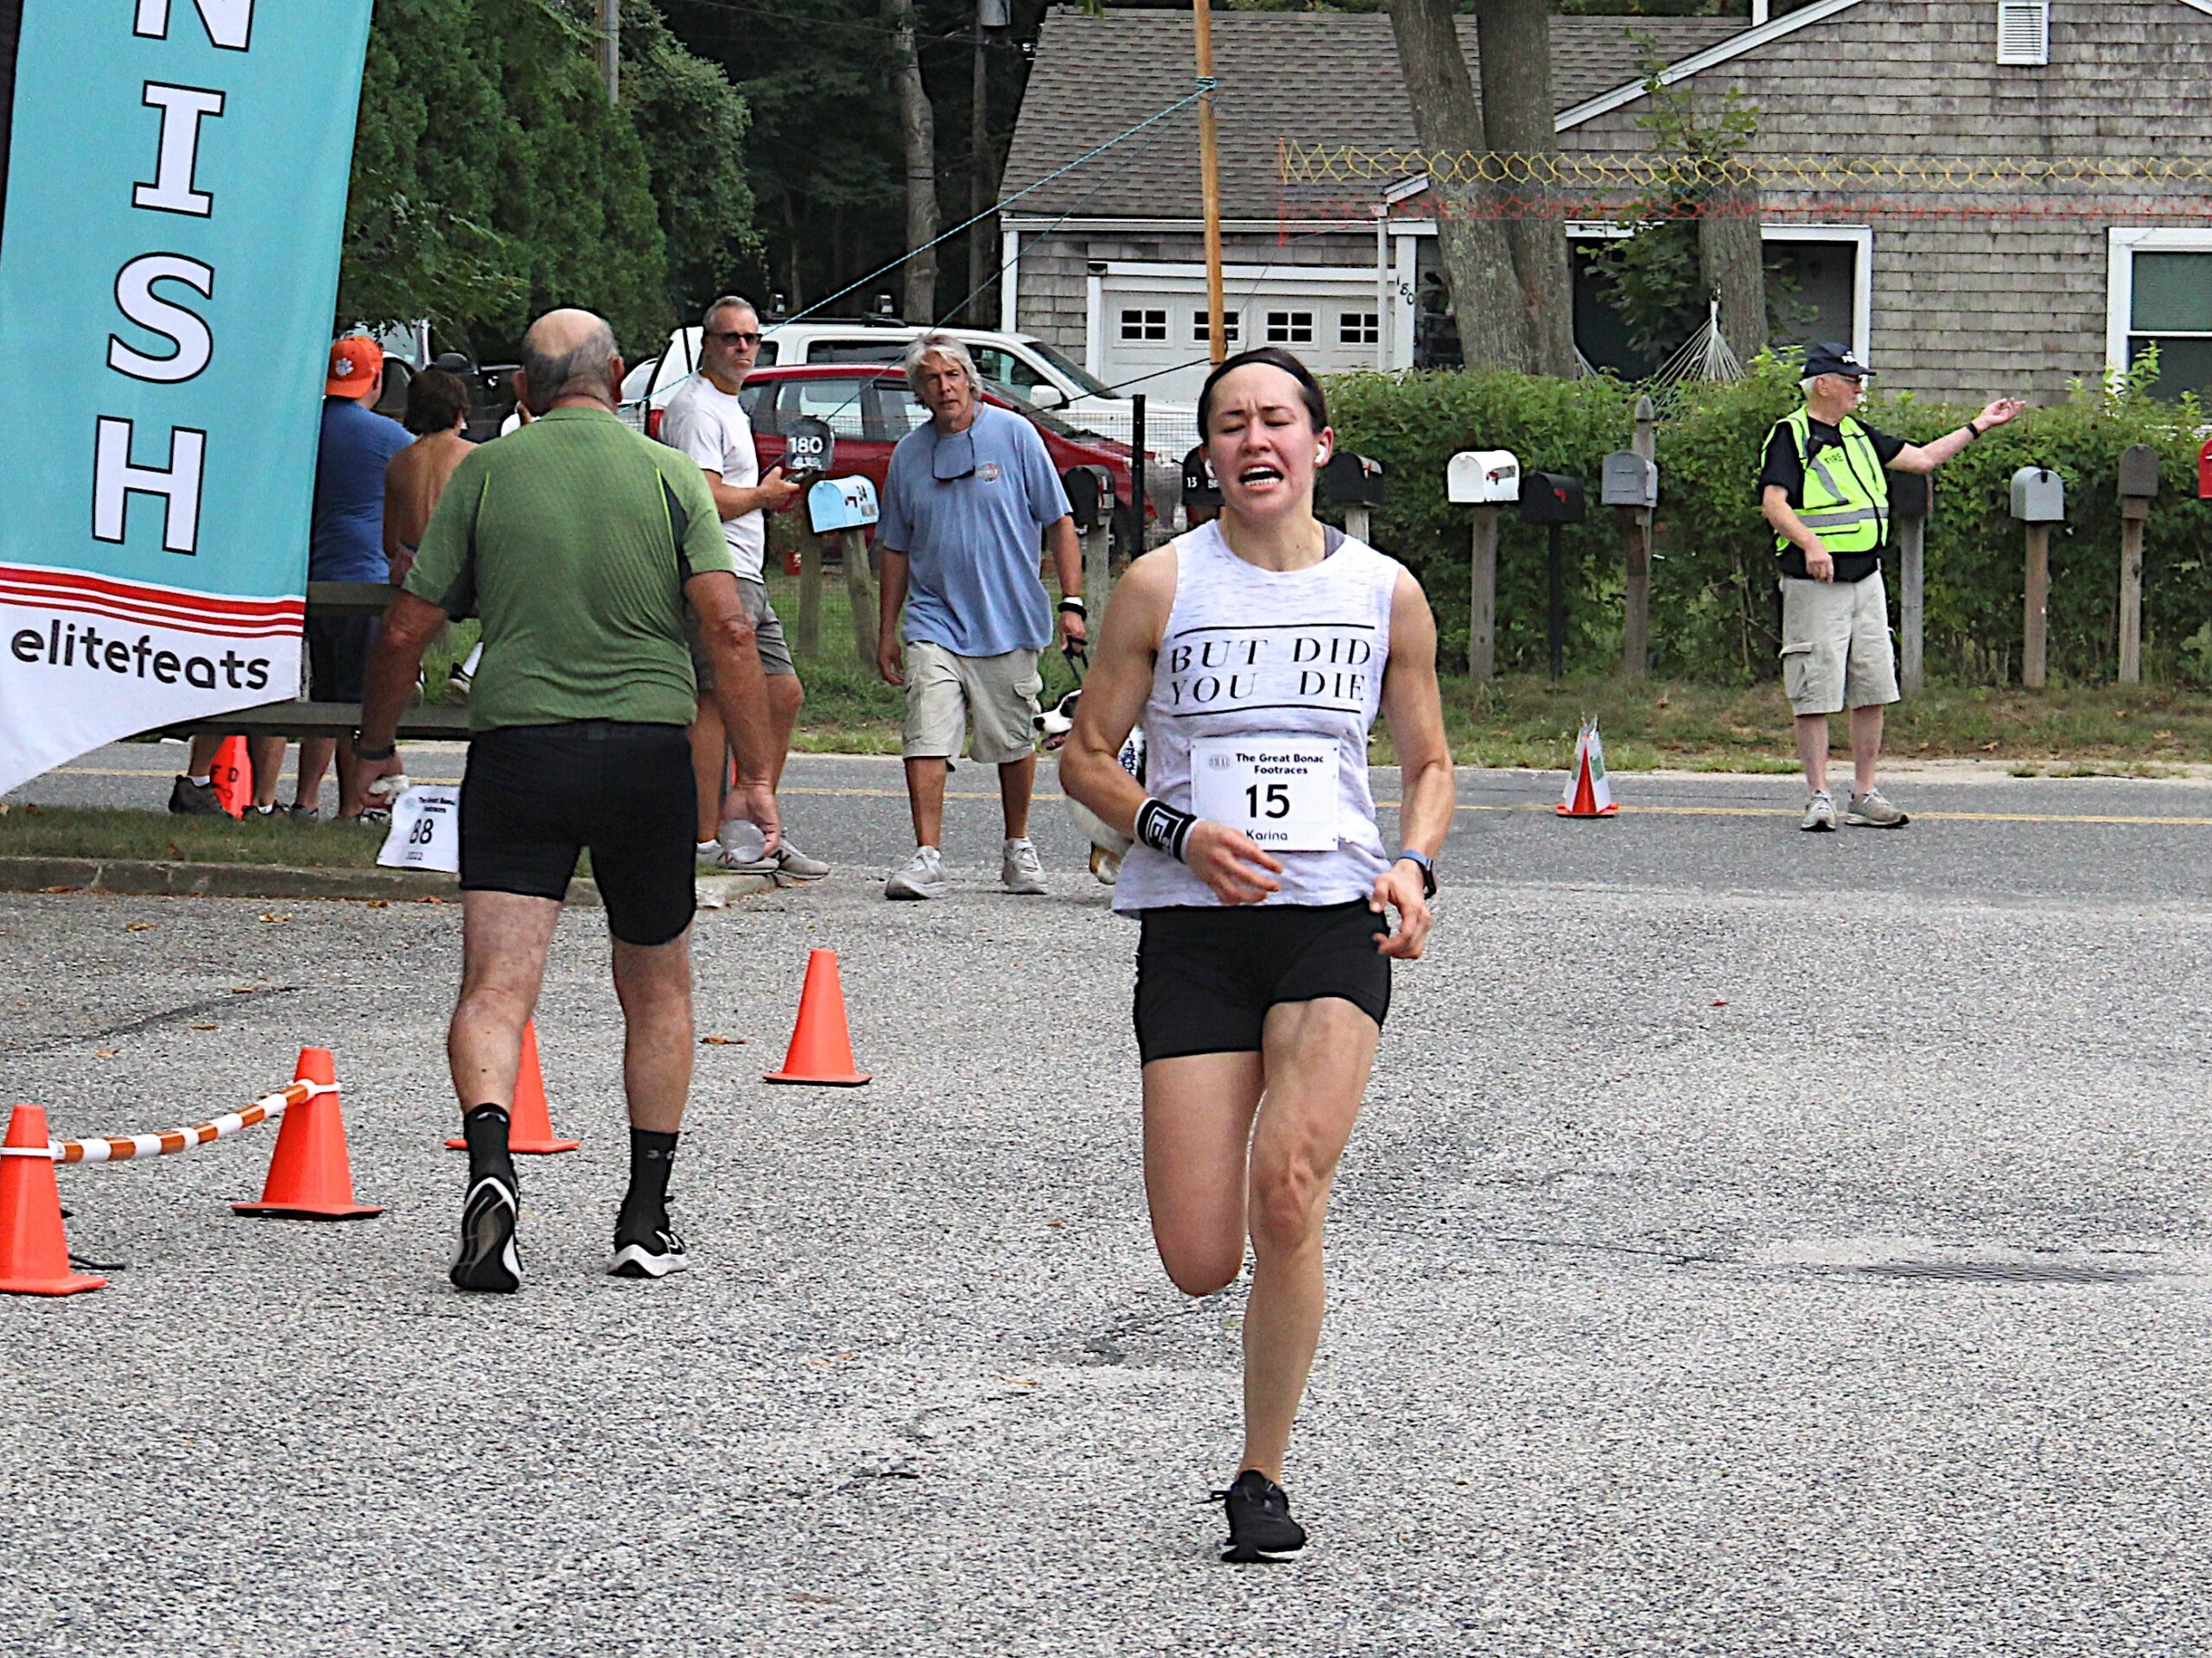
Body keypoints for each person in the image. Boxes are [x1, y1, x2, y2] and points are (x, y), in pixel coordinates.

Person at [1059, 346, 1453, 1562]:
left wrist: (1415, 864)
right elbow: (1085, 756)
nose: (1254, 439)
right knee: (1195, 1256)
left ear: (1318, 445)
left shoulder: (1386, 590)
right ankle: (1245, 1262)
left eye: (1276, 418)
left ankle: (1260, 1474)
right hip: (1192, 927)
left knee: (1289, 1185)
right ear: (1211, 455)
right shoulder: (1160, 584)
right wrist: (1173, 827)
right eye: (1230, 423)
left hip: (1333, 915)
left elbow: (1430, 764)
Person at [341, 308, 781, 1293]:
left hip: (519, 751)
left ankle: (493, 1165)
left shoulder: (487, 474)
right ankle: (644, 1212)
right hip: (644, 755)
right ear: (619, 379)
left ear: (525, 393)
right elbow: (727, 627)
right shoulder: (669, 474)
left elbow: (409, 628)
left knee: (496, 986)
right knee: (657, 986)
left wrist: (374, 744)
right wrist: (751, 771)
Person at [1761, 343, 2023, 830]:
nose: (1860, 388)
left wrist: (1978, 426)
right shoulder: (1790, 436)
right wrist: (1811, 545)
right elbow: (1775, 504)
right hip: (1815, 580)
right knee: (1815, 689)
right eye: (1851, 380)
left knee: (1872, 685)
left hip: (1866, 579)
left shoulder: (1860, 435)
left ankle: (1864, 791)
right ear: (1823, 384)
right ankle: (1819, 796)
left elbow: (1922, 460)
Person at [874, 333, 1087, 899]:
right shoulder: (909, 456)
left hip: (1007, 617)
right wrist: (886, 630)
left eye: (952, 376)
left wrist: (1072, 602)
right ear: (917, 392)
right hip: (933, 618)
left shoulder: (1015, 436)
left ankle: (1017, 847)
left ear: (971, 379)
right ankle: (927, 856)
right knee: (927, 728)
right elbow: (895, 547)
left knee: (1013, 739)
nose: (943, 388)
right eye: (930, 380)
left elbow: (1060, 520)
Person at [657, 295, 823, 881]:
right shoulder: (697, 408)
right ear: (707, 344)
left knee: (782, 693)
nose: (743, 348)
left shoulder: (729, 405)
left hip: (747, 572)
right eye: (731, 338)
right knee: (714, 703)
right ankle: (706, 837)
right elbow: (699, 497)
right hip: (716, 571)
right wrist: (762, 497)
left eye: (752, 338)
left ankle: (751, 824)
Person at [290, 334, 413, 822]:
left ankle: (305, 801)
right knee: (361, 703)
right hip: (363, 577)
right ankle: (352, 807)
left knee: (325, 696)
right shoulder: (389, 439)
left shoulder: (302, 430)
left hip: (311, 574)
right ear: (377, 380)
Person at [384, 366, 474, 587]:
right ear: (459, 412)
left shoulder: (398, 462)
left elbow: (388, 543)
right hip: (457, 569)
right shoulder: (475, 456)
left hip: (410, 568)